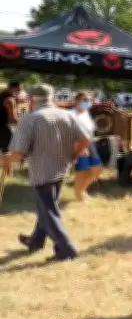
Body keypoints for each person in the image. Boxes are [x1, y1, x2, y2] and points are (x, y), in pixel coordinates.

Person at [1, 84, 90, 262]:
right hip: (62, 168)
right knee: (47, 207)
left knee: (48, 212)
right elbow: (85, 139)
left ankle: (66, 249)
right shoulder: (67, 115)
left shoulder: (31, 119)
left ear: (32, 100)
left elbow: (18, 153)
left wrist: (4, 159)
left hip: (42, 171)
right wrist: (73, 154)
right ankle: (36, 240)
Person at [71, 91, 102, 201]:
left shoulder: (86, 113)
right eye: (84, 100)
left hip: (90, 143)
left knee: (97, 169)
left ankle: (82, 191)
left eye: (88, 100)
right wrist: (78, 148)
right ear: (76, 101)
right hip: (79, 144)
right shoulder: (72, 114)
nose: (87, 102)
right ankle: (79, 195)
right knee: (82, 171)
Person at [0, 81, 22, 152]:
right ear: (11, 88)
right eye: (18, 90)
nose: (19, 92)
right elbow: (13, 119)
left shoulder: (2, 96)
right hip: (4, 128)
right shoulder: (10, 100)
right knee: (7, 153)